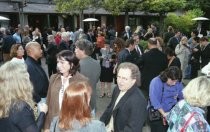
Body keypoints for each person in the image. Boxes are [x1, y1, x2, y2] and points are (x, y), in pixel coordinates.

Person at [44, 50, 88, 131]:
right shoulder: (53, 78)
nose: (58, 65)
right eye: (58, 62)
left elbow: (85, 106)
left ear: (71, 64)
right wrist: (47, 126)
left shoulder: (82, 81)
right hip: (54, 123)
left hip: (72, 125)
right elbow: (48, 102)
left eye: (62, 62)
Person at [0, 61, 48, 132]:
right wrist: (43, 113)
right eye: (25, 73)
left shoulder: (4, 99)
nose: (28, 75)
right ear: (20, 81)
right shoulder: (20, 107)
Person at [100, 62, 147, 132]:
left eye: (125, 78)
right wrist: (101, 123)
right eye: (118, 77)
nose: (120, 81)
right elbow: (110, 107)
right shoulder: (117, 89)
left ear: (133, 81)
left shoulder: (138, 100)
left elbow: (133, 129)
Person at [149, 66, 184, 132]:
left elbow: (182, 97)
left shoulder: (177, 82)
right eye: (172, 81)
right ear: (166, 76)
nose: (174, 83)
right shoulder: (156, 82)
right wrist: (164, 114)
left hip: (172, 113)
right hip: (158, 113)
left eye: (176, 81)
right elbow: (154, 100)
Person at [75, 39, 101, 116]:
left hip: (79, 104)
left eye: (76, 48)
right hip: (92, 102)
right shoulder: (97, 63)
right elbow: (95, 80)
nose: (75, 50)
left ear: (82, 51)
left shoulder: (77, 65)